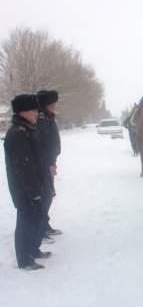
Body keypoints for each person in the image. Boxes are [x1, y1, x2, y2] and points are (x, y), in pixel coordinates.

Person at [4, 94, 50, 270]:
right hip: (25, 189)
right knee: (26, 222)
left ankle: (33, 250)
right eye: (34, 110)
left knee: (35, 220)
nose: (37, 113)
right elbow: (25, 167)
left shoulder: (28, 129)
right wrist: (35, 192)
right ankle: (25, 259)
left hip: (35, 186)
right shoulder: (18, 134)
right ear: (24, 112)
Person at [36, 90, 62, 241]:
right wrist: (49, 164)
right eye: (52, 104)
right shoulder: (40, 118)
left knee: (48, 195)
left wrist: (53, 161)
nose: (54, 106)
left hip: (49, 162)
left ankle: (44, 224)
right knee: (45, 196)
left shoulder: (48, 117)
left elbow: (52, 141)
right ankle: (40, 228)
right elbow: (41, 145)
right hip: (43, 165)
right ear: (45, 104)